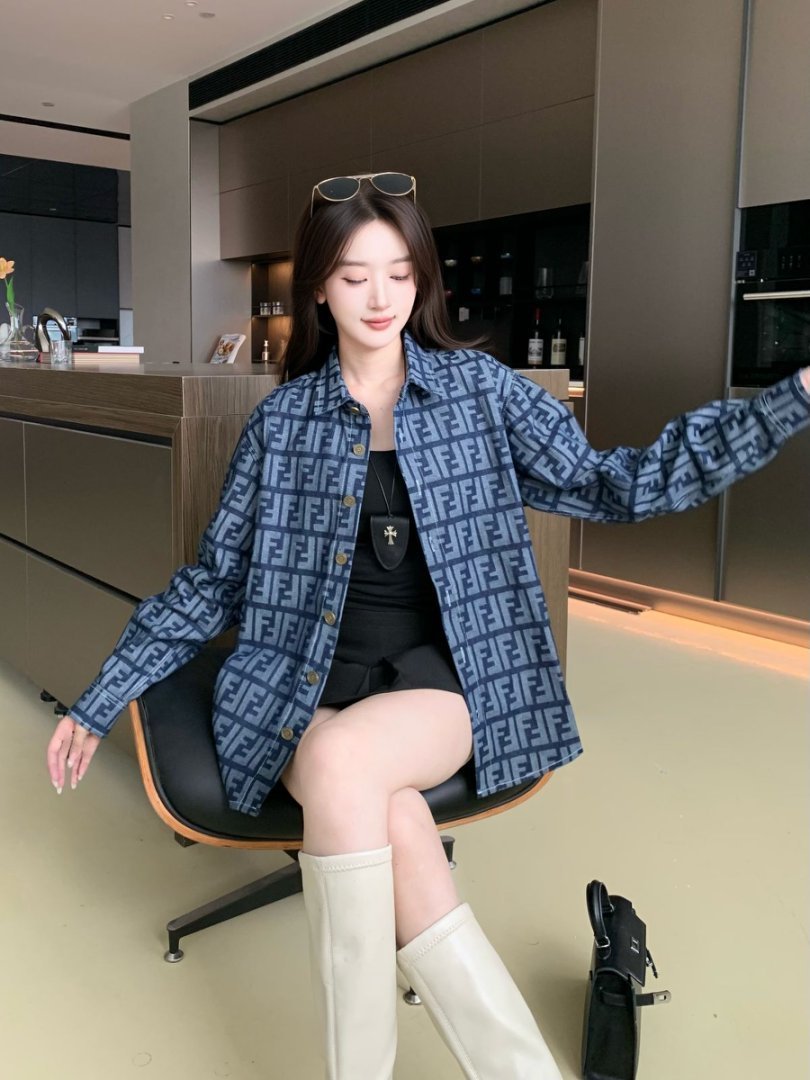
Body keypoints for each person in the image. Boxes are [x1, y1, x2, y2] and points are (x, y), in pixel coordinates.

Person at [46, 172, 810, 1080]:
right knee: (396, 820)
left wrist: (793, 394)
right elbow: (214, 582)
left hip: (438, 685)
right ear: (319, 288)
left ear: (423, 281)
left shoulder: (481, 392)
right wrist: (98, 700)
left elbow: (621, 484)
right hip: (298, 689)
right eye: (355, 275)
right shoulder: (282, 423)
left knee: (343, 765)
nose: (381, 297)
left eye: (400, 274)